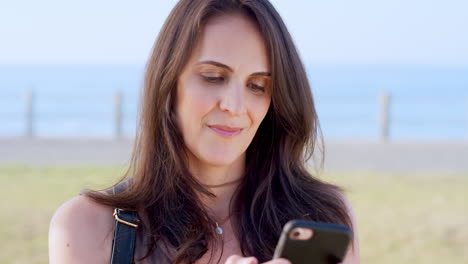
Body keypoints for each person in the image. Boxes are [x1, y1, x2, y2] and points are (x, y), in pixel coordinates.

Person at [49, 0, 360, 263]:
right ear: (168, 85)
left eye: (257, 86)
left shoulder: (323, 216)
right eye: (213, 77)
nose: (235, 106)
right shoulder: (85, 227)